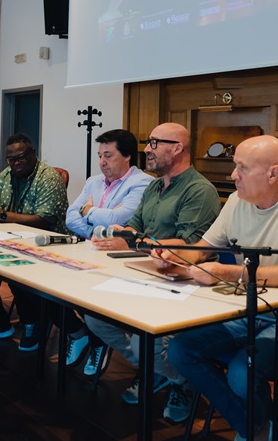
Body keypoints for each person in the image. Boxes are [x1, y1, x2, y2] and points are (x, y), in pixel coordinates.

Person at [165, 135, 278, 441]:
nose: (232, 176)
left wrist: (227, 273)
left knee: (243, 370)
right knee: (181, 349)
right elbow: (202, 248)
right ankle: (257, 428)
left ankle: (254, 431)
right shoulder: (237, 202)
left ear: (273, 173)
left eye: (241, 167)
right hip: (248, 312)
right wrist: (169, 257)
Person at [85, 122, 221, 422]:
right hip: (142, 272)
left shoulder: (199, 190)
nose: (147, 149)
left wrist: (136, 239)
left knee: (141, 340)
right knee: (94, 316)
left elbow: (188, 247)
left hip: (180, 282)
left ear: (177, 148)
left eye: (155, 143)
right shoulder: (154, 186)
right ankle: (163, 372)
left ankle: (181, 379)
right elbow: (135, 226)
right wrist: (124, 233)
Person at [0, 133, 69, 352]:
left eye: (20, 157)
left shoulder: (49, 178)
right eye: (10, 159)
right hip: (10, 238)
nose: (15, 163)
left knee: (13, 265)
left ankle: (33, 322)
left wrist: (1, 215)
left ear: (32, 153)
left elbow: (44, 220)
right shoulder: (6, 175)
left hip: (49, 243)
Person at [63, 129, 151, 375]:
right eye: (100, 155)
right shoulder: (93, 181)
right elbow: (71, 216)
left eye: (109, 155)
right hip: (87, 248)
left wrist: (88, 212)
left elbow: (119, 218)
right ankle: (80, 335)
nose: (102, 162)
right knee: (49, 290)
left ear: (127, 157)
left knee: (92, 301)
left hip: (118, 258)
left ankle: (99, 343)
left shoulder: (143, 183)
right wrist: (96, 229)